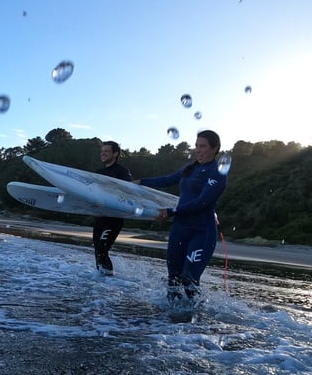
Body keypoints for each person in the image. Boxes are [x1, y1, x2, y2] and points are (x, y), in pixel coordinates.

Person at [135, 129, 227, 301]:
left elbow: (202, 202)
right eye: (196, 146)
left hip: (202, 231)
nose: (198, 150)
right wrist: (141, 182)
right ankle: (171, 322)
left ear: (215, 149)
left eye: (203, 146)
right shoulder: (189, 168)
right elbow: (166, 180)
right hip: (179, 229)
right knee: (173, 281)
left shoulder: (217, 172)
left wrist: (170, 212)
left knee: (189, 279)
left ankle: (198, 321)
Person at [92, 140, 133, 275]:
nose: (103, 154)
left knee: (102, 249)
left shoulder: (122, 172)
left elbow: (129, 191)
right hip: (100, 218)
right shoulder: (98, 172)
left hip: (114, 218)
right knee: (97, 251)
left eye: (106, 151)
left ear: (115, 153)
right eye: (102, 151)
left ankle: (109, 280)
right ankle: (101, 280)